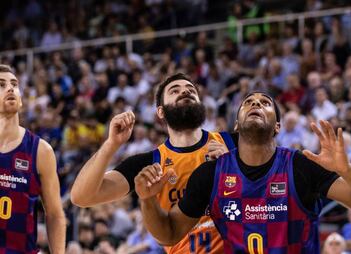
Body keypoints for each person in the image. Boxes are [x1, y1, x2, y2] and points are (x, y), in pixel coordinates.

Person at [135, 92, 351, 253]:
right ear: (236, 124)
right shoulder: (210, 175)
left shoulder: (301, 166)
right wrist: (146, 199)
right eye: (248, 103)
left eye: (265, 103)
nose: (255, 103)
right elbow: (167, 234)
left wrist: (348, 170)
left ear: (277, 126)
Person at [71, 73, 236, 253]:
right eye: (175, 91)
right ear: (161, 111)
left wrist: (234, 165)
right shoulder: (148, 164)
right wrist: (111, 144)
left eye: (191, 90)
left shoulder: (233, 144)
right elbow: (81, 197)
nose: (185, 92)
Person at [0, 64, 66, 253]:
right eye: (1, 84)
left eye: (14, 84)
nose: (10, 88)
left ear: (21, 100)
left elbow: (55, 215)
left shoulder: (41, 150)